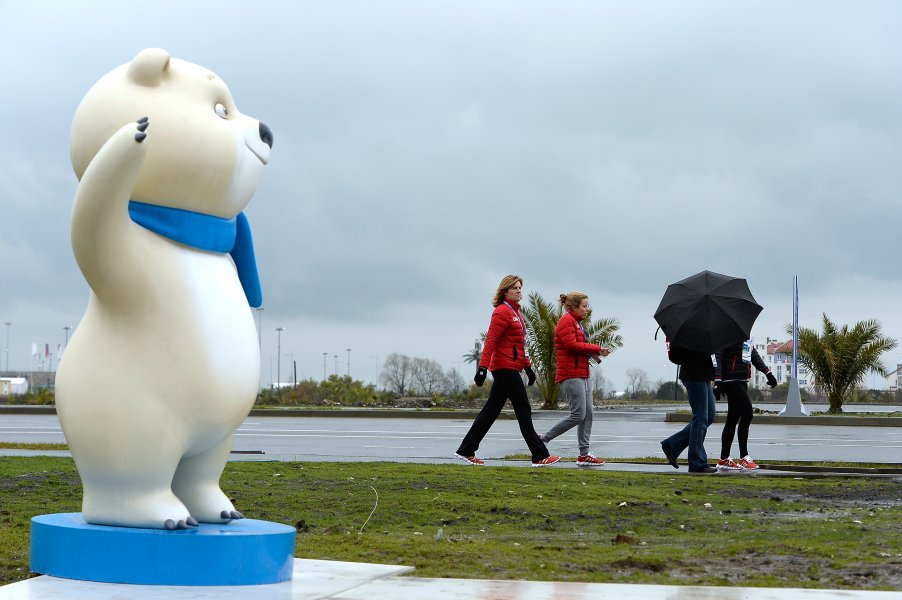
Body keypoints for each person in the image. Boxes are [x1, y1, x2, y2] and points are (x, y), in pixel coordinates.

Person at [455, 275, 560, 467]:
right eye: (515, 288)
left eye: (520, 287)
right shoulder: (502, 312)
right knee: (523, 409)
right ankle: (539, 455)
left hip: (512, 366)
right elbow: (491, 342)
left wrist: (528, 366)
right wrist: (482, 369)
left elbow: (520, 345)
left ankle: (466, 450)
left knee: (491, 410)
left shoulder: (517, 314)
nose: (519, 291)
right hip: (504, 368)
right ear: (505, 291)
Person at [540, 292, 610, 467]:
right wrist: (597, 348)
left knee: (588, 414)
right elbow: (571, 345)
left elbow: (578, 345)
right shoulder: (566, 321)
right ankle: (543, 439)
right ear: (574, 307)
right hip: (570, 375)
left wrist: (594, 353)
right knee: (578, 414)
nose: (587, 309)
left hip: (582, 373)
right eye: (585, 306)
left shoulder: (577, 323)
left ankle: (584, 454)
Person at [714, 339, 777, 471]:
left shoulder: (745, 334)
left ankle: (724, 459)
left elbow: (753, 354)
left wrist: (768, 372)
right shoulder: (728, 332)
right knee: (747, 414)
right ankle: (744, 457)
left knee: (732, 419)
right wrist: (717, 379)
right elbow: (718, 355)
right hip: (730, 380)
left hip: (742, 379)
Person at [660, 342, 717, 473]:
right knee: (701, 417)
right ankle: (697, 462)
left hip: (704, 375)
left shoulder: (706, 331)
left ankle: (672, 445)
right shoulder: (684, 335)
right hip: (693, 374)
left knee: (708, 416)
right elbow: (674, 357)